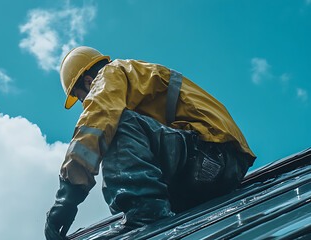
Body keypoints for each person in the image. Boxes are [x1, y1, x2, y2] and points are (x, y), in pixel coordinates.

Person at [44, 46, 256, 240]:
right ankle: (149, 213)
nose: (85, 105)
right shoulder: (136, 78)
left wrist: (67, 199)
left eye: (82, 99)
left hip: (210, 153)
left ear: (89, 81)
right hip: (221, 166)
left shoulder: (113, 72)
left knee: (115, 125)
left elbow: (95, 125)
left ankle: (145, 216)